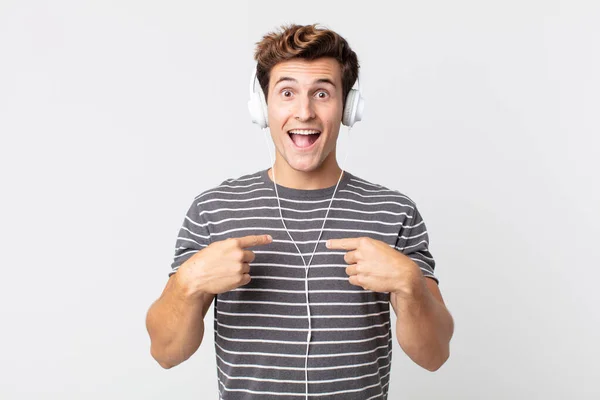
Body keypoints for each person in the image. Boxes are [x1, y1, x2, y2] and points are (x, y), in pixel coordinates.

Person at [146, 23, 454, 400]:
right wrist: (188, 282)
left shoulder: (394, 211)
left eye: (322, 93)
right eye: (287, 93)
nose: (304, 112)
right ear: (263, 107)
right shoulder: (214, 210)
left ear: (347, 107)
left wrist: (410, 284)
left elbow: (435, 355)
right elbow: (165, 352)